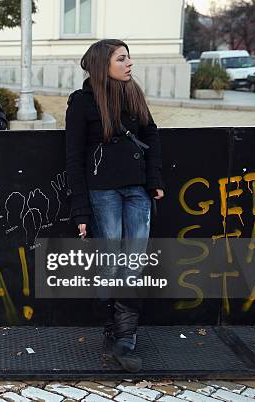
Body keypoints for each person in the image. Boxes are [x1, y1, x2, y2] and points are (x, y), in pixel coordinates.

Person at [65, 39, 164, 373]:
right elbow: (73, 158)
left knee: (134, 262)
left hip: (137, 192)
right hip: (102, 193)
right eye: (122, 59)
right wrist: (80, 210)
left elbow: (152, 135)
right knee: (110, 262)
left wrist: (155, 181)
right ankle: (113, 328)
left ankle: (126, 338)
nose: (129, 63)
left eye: (129, 57)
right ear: (102, 64)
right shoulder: (82, 102)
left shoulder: (132, 94)